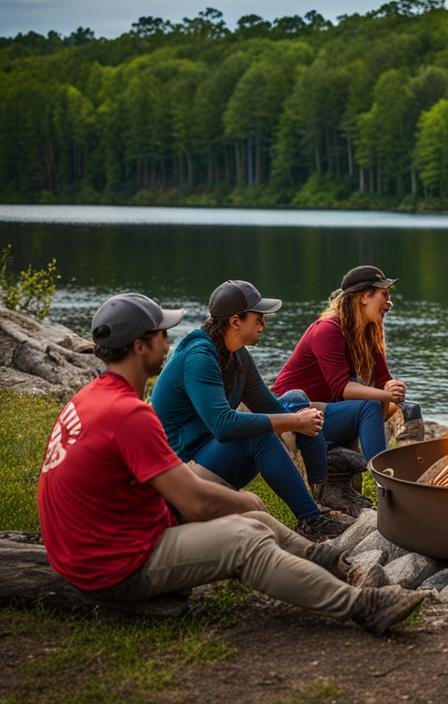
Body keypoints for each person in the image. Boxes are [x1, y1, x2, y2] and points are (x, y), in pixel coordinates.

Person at [38, 292, 423, 634]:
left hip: (101, 542)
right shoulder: (129, 413)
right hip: (110, 565)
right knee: (243, 538)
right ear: (140, 346)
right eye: (161, 333)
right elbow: (196, 502)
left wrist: (299, 431)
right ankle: (360, 607)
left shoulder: (94, 397)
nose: (167, 339)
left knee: (250, 522)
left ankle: (312, 556)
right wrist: (243, 500)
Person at [151, 280, 346, 540]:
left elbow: (270, 407)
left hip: (211, 458)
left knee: (296, 401)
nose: (263, 324)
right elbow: (224, 425)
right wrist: (294, 422)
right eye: (258, 318)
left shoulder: (237, 356)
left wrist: (302, 419)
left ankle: (320, 494)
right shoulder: (199, 356)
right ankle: (310, 520)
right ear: (235, 321)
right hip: (182, 478)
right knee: (257, 431)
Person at [272, 265, 407, 465]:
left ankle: (388, 473)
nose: (389, 303)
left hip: (323, 411)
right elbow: (341, 388)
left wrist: (391, 386)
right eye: (384, 295)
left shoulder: (368, 331)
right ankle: (384, 476)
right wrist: (386, 395)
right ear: (364, 297)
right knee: (370, 407)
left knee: (388, 407)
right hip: (293, 414)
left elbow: (382, 378)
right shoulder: (328, 330)